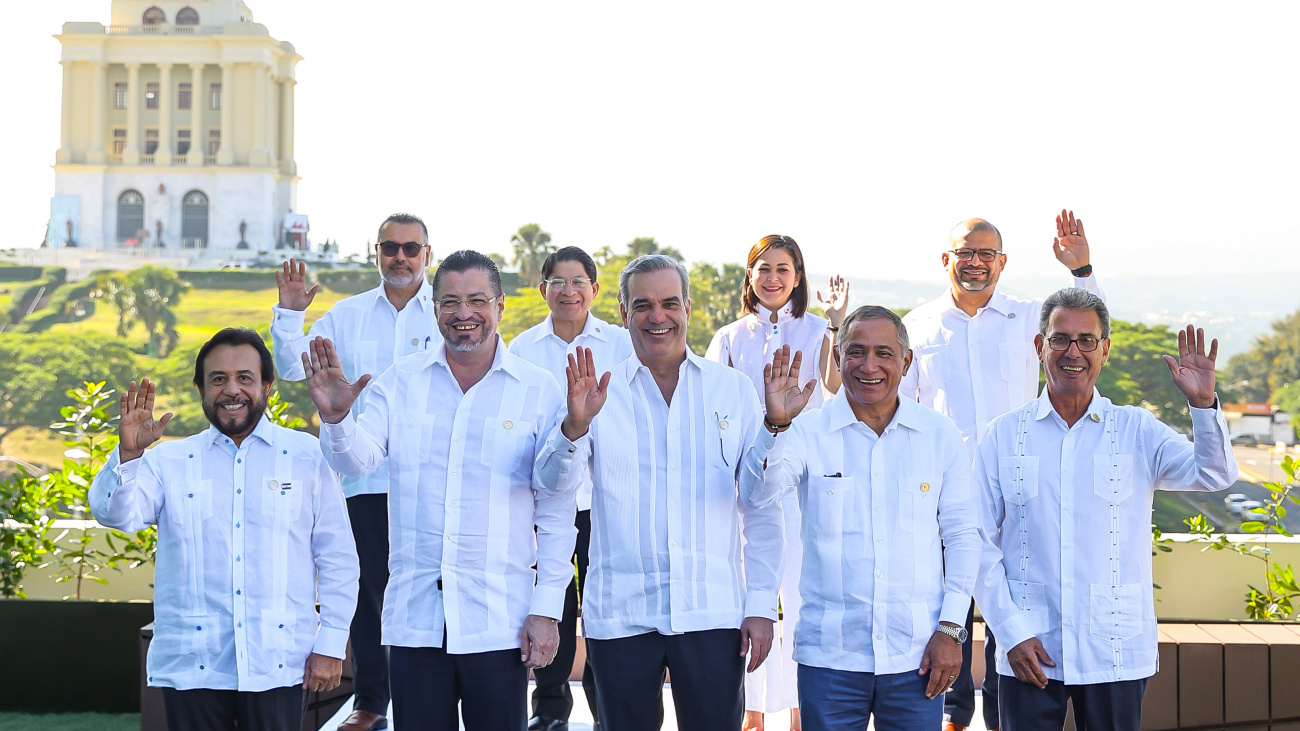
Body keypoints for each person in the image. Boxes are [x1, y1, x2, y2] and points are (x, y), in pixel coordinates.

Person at [302, 250, 576, 730]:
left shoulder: (538, 389)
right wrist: (336, 418)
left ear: (501, 304)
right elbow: (356, 460)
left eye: (476, 300)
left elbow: (555, 506)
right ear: (434, 308)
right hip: (415, 621)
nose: (463, 314)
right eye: (449, 302)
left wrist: (547, 609)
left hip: (498, 621)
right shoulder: (400, 383)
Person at [536, 254, 784, 730]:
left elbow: (761, 504)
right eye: (643, 304)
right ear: (623, 312)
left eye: (669, 303)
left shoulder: (732, 390)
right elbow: (552, 487)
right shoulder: (593, 392)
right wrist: (574, 426)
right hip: (621, 611)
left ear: (687, 308)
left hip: (712, 613)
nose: (658, 316)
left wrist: (760, 604)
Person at [973, 289, 1237, 731]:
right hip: (1029, 647)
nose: (1072, 352)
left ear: (1105, 350)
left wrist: (1203, 405)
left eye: (1086, 340)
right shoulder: (1002, 436)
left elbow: (1214, 474)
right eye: (1060, 339)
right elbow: (978, 543)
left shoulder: (1136, 429)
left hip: (1115, 649)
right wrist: (1009, 630)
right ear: (1040, 347)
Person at [88, 327, 359, 731]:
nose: (232, 390)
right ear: (201, 389)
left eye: (245, 378)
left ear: (267, 385)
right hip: (192, 659)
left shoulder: (306, 456)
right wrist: (129, 454)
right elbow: (117, 515)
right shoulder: (168, 462)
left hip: (279, 659)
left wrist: (331, 644)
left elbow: (337, 558)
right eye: (218, 379)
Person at [900, 211, 1104, 731]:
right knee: (949, 599)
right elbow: (904, 410)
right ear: (946, 259)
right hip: (944, 489)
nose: (974, 263)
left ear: (1002, 261)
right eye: (965, 253)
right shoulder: (919, 325)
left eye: (985, 253)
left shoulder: (1030, 316)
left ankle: (998, 714)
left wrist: (1081, 270)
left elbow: (1090, 328)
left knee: (1007, 598)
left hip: (1020, 484)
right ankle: (950, 711)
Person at [738, 306, 981, 730]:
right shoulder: (805, 431)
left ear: (906, 362)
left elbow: (963, 536)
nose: (870, 366)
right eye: (856, 352)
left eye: (884, 353)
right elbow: (757, 496)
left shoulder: (939, 435)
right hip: (829, 659)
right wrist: (774, 424)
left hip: (917, 657)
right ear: (836, 357)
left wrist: (952, 629)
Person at [271, 212, 441, 731]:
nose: (401, 257)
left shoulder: (449, 314)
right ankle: (371, 702)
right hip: (363, 479)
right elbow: (289, 366)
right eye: (390, 247)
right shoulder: (346, 317)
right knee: (369, 593)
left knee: (435, 590)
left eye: (411, 248)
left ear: (427, 255)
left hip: (432, 482)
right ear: (376, 253)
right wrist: (288, 315)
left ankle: (444, 701)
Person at [705, 234, 849, 731]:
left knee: (802, 596)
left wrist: (835, 322)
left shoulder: (816, 329)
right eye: (763, 268)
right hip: (744, 480)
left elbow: (835, 385)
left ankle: (797, 708)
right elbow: (713, 407)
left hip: (803, 478)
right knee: (751, 596)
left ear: (798, 276)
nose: (772, 278)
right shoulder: (728, 336)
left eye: (783, 269)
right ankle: (751, 709)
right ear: (749, 276)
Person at [509, 246, 634, 731]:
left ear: (594, 289)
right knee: (553, 601)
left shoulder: (622, 344)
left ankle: (608, 711)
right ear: (543, 290)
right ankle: (551, 708)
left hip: (607, 498)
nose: (568, 290)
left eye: (578, 280)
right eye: (557, 281)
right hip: (548, 499)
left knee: (603, 603)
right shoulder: (521, 350)